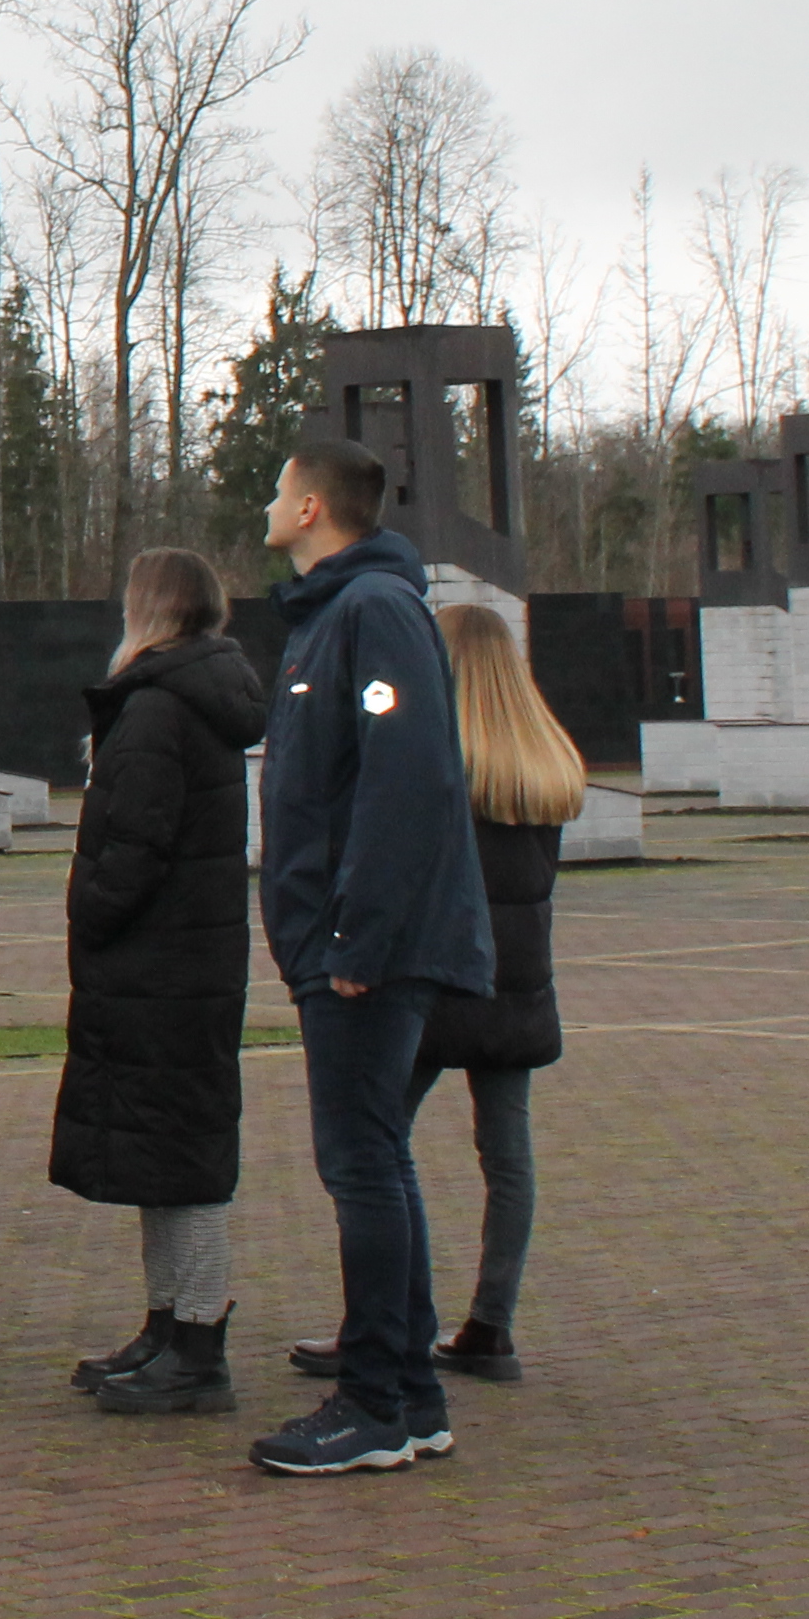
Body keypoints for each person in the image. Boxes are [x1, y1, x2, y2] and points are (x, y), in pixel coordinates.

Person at [245, 438, 493, 1476]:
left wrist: (359, 937)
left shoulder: (374, 612)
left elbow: (409, 781)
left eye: (278, 489)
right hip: (342, 940)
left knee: (361, 1163)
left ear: (311, 509)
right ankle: (411, 1394)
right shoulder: (333, 616)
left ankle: (377, 1401)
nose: (267, 502)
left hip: (366, 951)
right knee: (373, 1156)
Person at [290, 603, 576, 1391]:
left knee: (369, 1151)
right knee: (507, 1157)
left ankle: (383, 1325)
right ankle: (491, 1323)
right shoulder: (543, 763)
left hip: (434, 976)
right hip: (515, 989)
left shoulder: (435, 760)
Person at [51, 547, 266, 1417]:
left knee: (184, 1160)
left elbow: (131, 848)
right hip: (190, 964)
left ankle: (198, 1341)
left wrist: (91, 911)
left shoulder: (153, 711)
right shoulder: (200, 701)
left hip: (159, 965)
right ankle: (168, 1324)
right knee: (167, 1150)